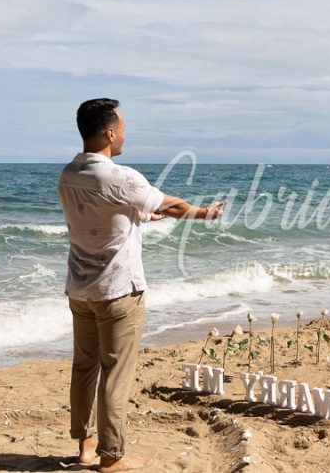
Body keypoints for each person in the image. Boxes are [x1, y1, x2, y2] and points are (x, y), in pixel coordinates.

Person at [58, 98, 225, 472]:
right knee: (115, 373)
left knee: (84, 368)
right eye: (123, 128)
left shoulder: (68, 174)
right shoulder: (122, 177)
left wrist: (144, 216)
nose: (125, 134)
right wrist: (207, 213)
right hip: (119, 291)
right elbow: (178, 206)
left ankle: (85, 448)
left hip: (80, 289)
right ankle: (111, 457)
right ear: (109, 132)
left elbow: (105, 213)